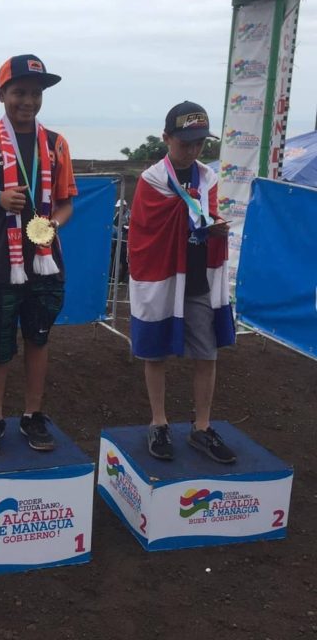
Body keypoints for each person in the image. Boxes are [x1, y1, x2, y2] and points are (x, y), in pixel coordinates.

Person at [0, 54, 77, 454]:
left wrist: (53, 225)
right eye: (19, 92)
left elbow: (66, 203)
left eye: (36, 93)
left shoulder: (56, 144)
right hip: (1, 261)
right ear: (2, 94)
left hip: (46, 260)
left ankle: (32, 414)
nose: (28, 101)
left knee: (38, 338)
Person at [128, 101, 236, 463]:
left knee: (207, 352)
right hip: (162, 278)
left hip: (198, 277)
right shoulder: (152, 180)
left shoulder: (207, 177)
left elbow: (205, 214)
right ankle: (158, 421)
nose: (192, 150)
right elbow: (145, 231)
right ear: (166, 138)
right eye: (185, 142)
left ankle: (202, 426)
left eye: (199, 143)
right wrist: (200, 221)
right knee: (155, 351)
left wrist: (214, 225)